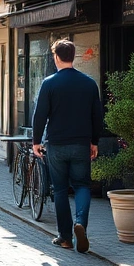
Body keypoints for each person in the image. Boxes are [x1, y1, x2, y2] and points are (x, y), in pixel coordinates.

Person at [31, 40, 103, 253]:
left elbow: (40, 115)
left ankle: (65, 237)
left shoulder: (49, 83)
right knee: (82, 186)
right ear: (73, 57)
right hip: (81, 144)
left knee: (60, 189)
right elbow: (97, 116)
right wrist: (94, 141)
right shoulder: (89, 84)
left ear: (56, 57)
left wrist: (36, 141)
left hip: (57, 145)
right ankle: (80, 223)